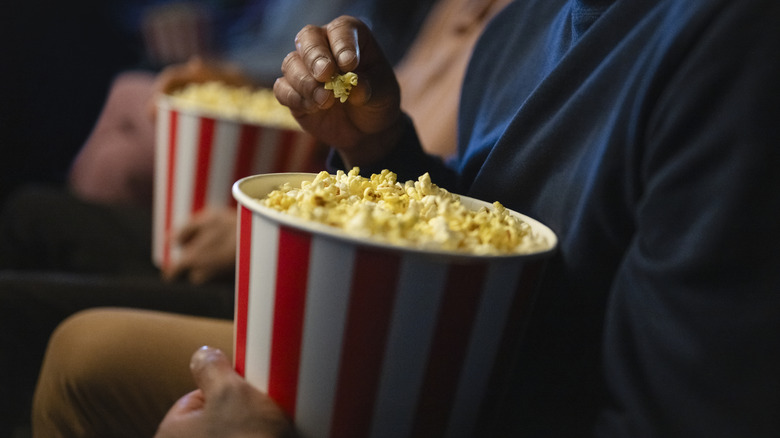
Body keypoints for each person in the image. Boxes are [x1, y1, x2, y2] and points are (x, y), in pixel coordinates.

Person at [37, 0, 780, 436]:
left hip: (494, 402)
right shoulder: (529, 24)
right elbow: (489, 230)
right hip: (442, 366)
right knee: (82, 351)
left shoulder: (729, 47)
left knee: (80, 356)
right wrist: (379, 148)